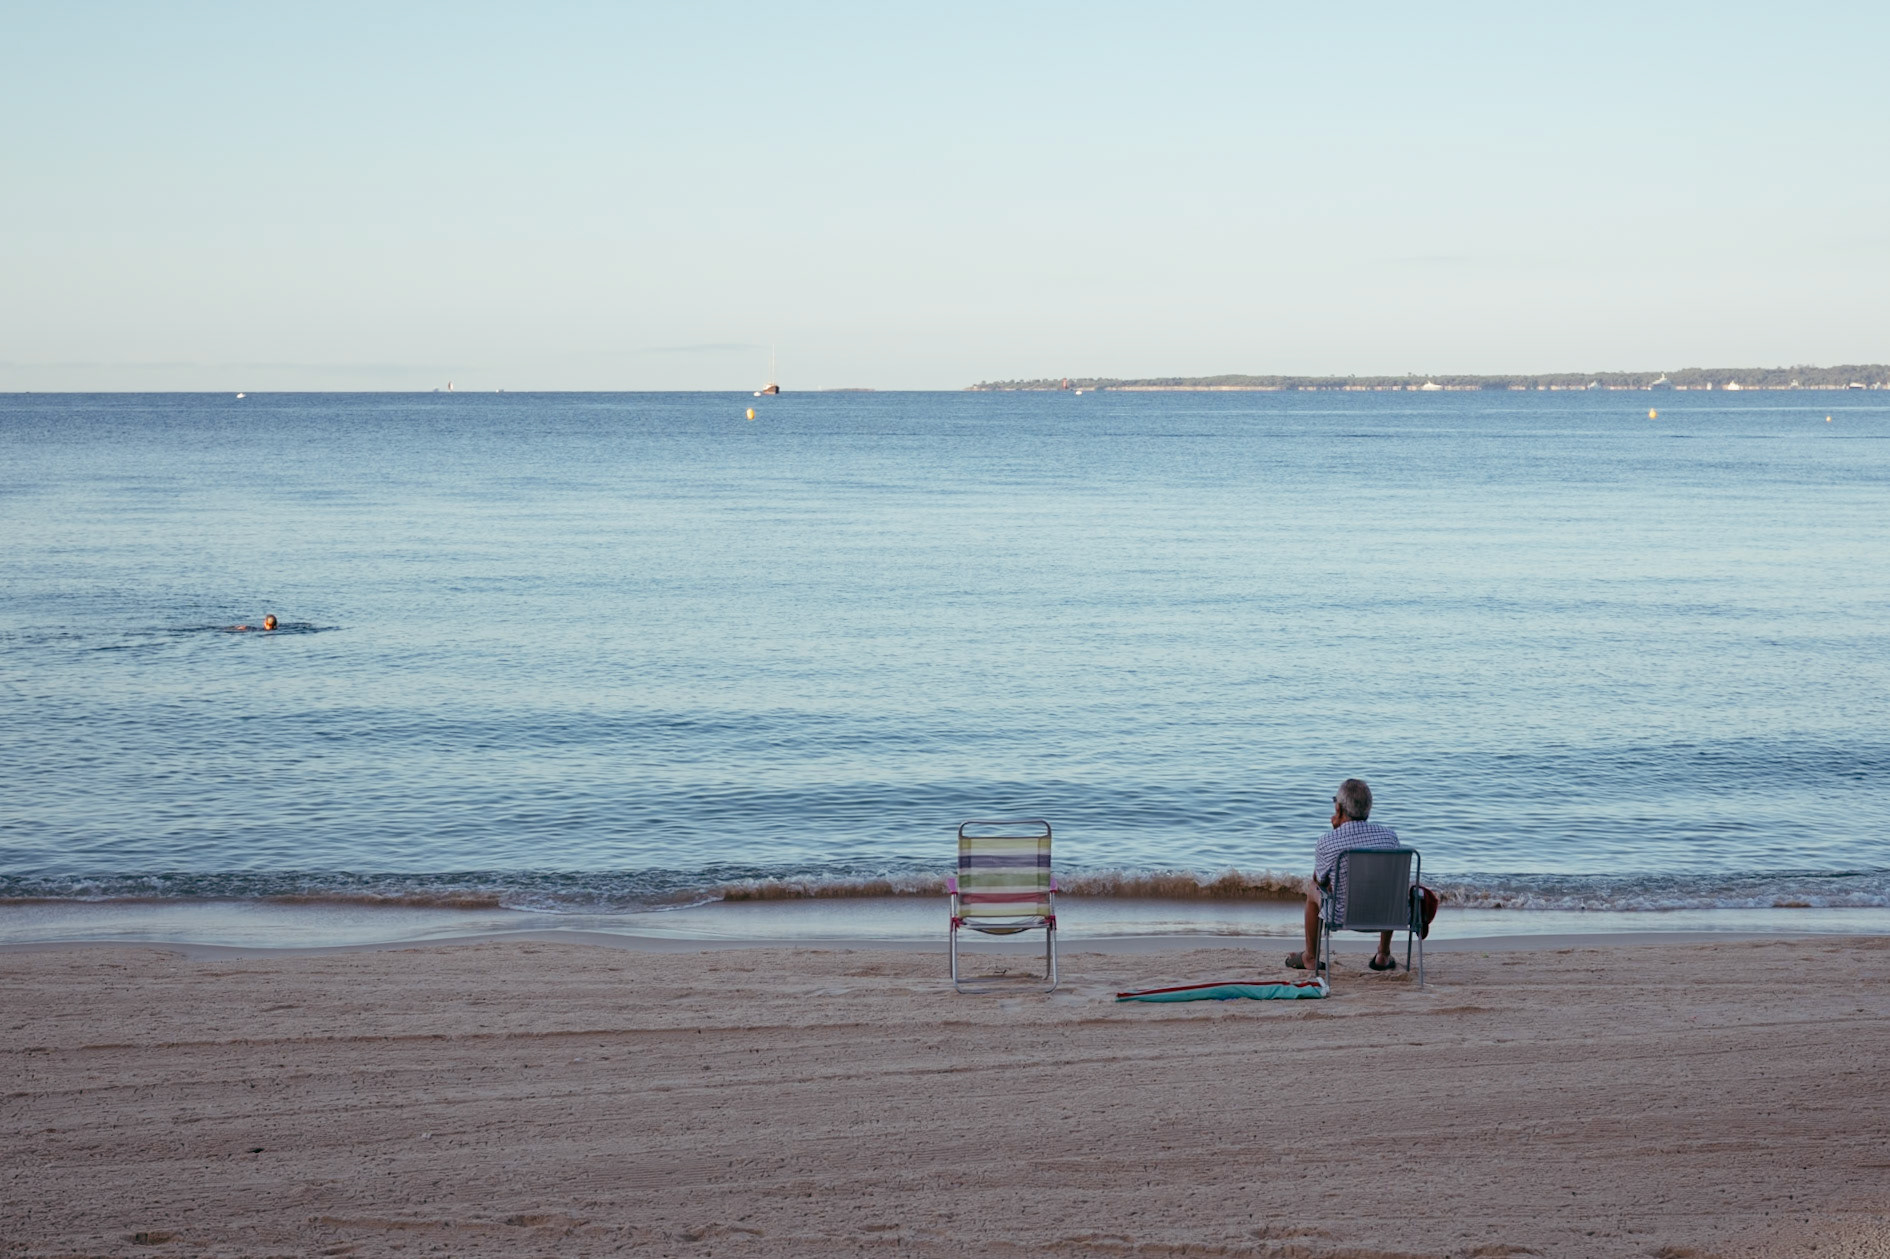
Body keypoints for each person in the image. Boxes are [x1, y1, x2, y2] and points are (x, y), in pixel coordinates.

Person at [1285, 777, 1403, 973]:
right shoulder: (1390, 837)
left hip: (1342, 915)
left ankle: (1310, 957)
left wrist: (1335, 835)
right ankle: (1383, 954)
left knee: (1312, 890)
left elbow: (1320, 882)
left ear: (1339, 809)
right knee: (1386, 887)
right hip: (1387, 914)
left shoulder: (1327, 841)